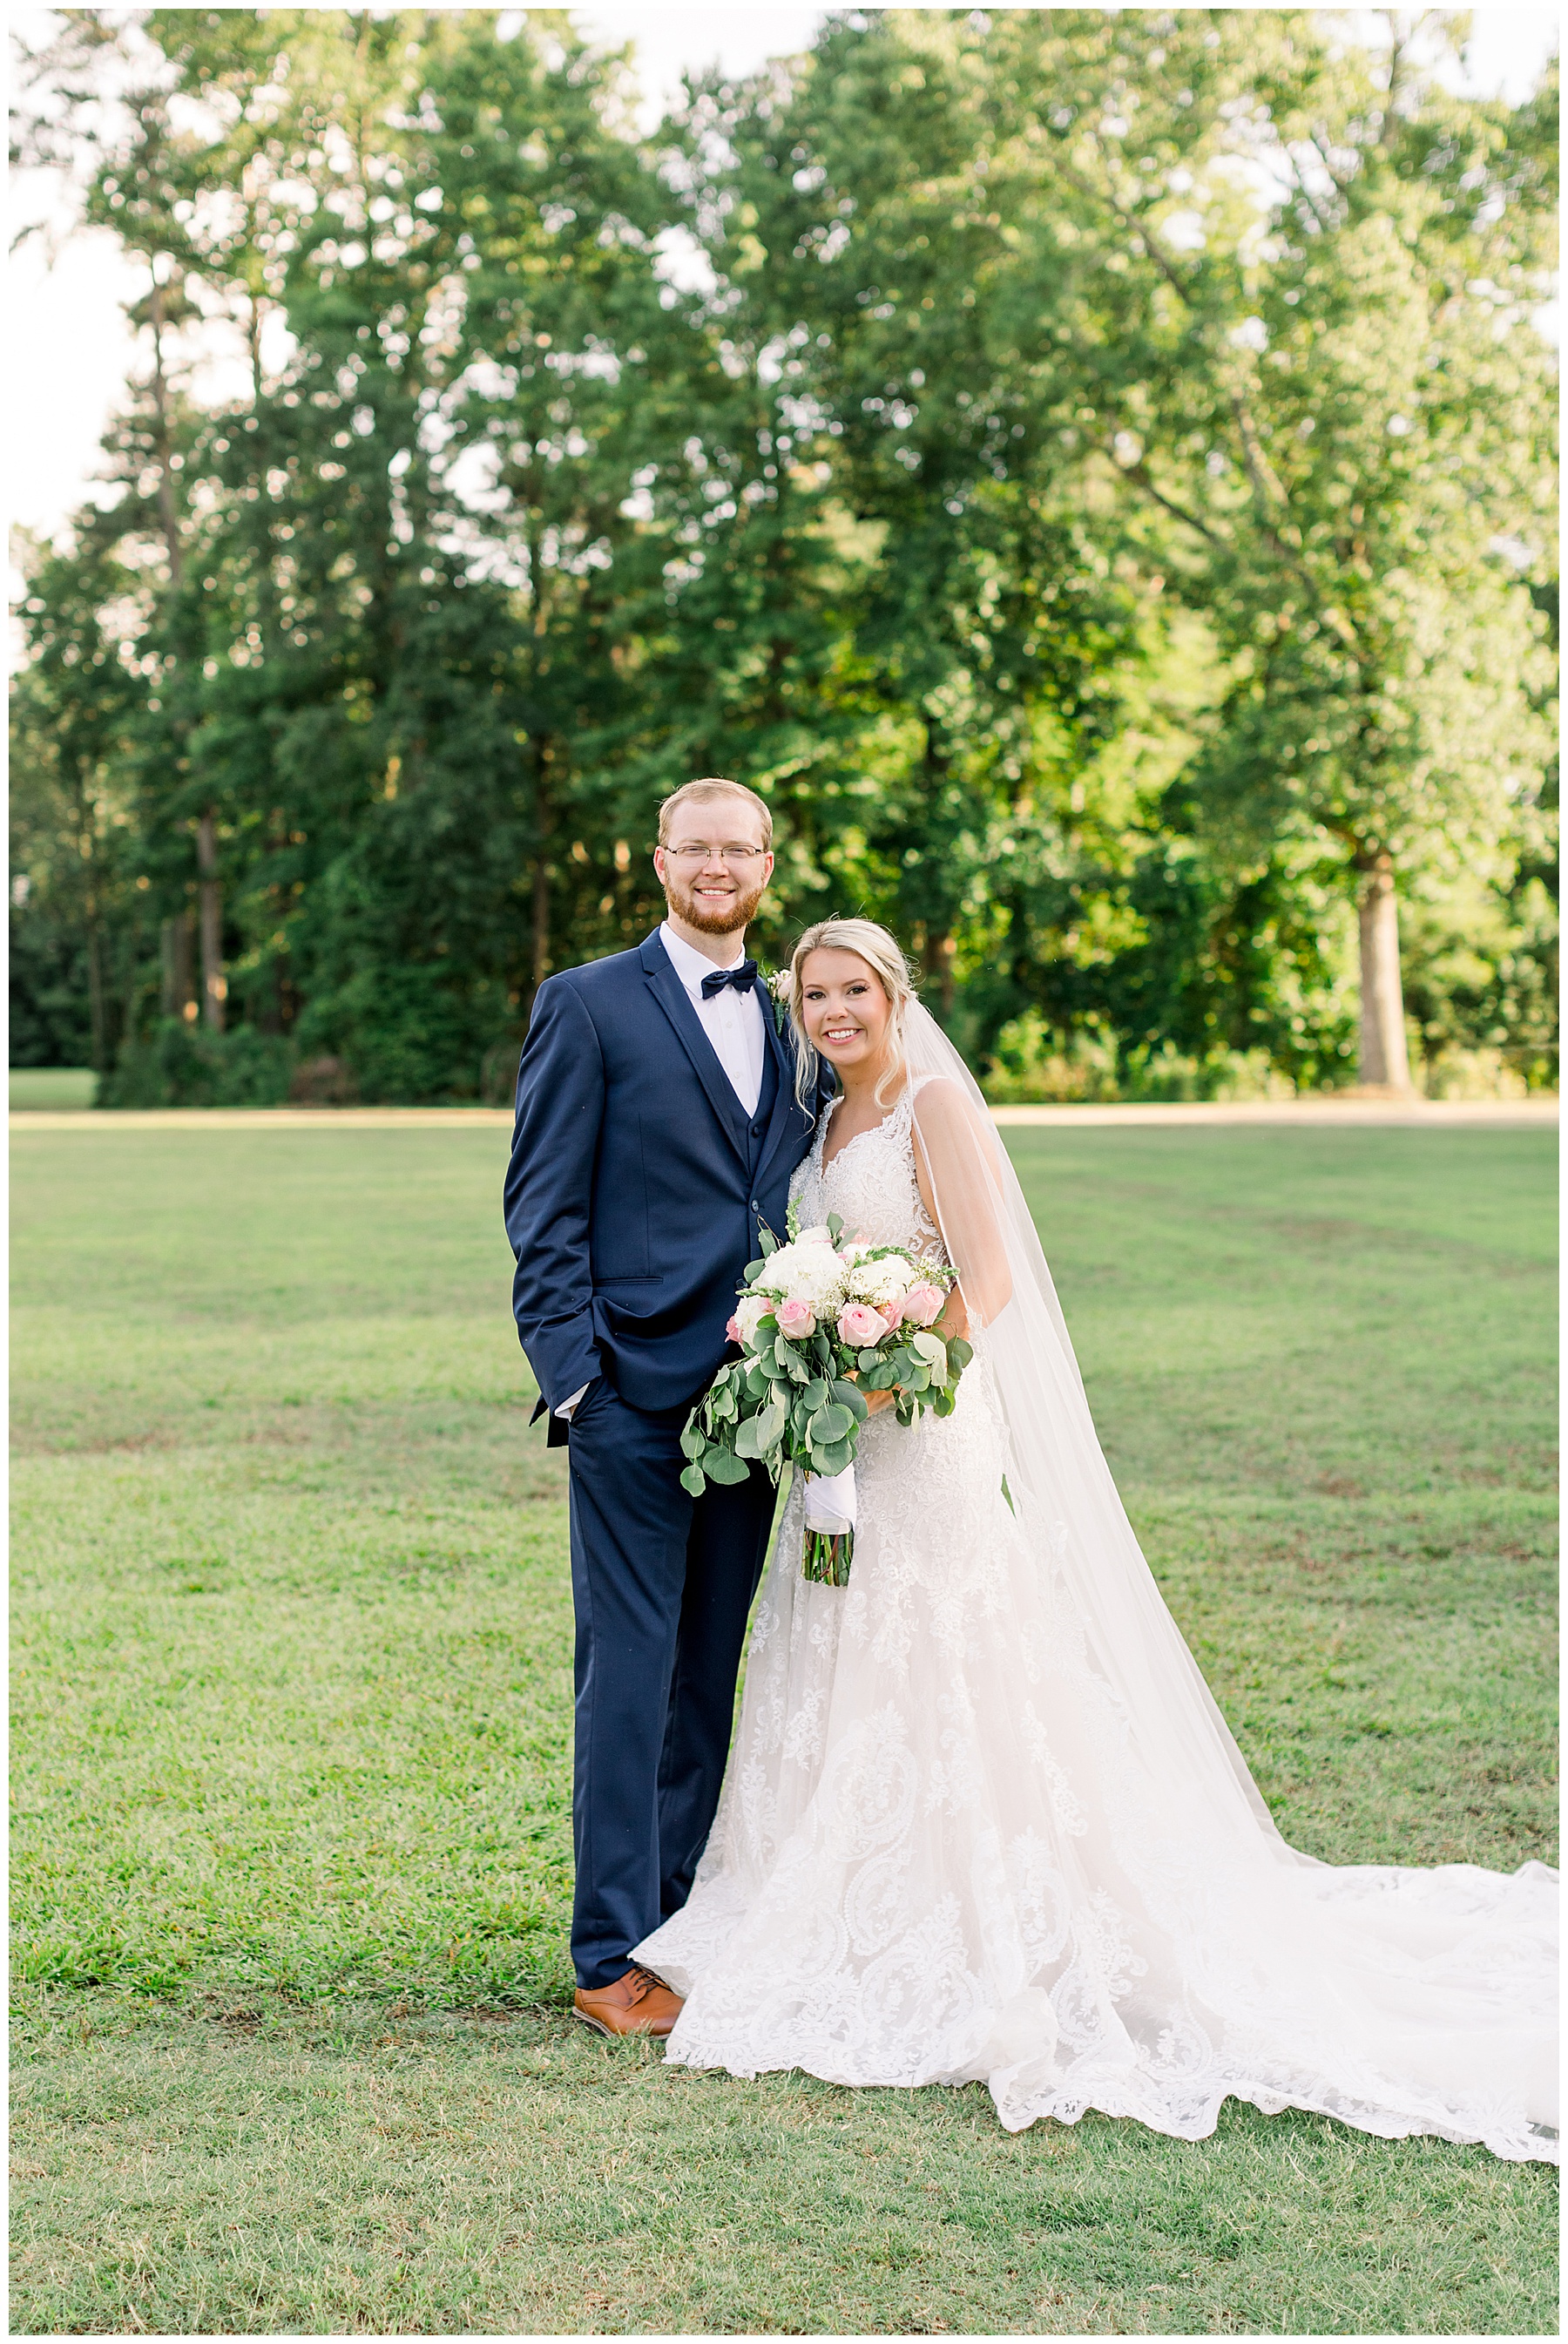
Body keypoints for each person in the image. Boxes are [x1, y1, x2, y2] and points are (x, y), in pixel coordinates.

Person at [633, 917, 1558, 2164]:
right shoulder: (825, 1122)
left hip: (925, 1431)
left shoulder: (931, 1109)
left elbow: (988, 1279)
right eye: (815, 996)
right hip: (842, 1450)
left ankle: (992, 1913)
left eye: (853, 989)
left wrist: (883, 1379)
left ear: (895, 996)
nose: (833, 1012)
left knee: (948, 1651)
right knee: (838, 1645)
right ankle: (838, 1891)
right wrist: (811, 1370)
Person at [504, 779, 823, 2038]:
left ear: (765, 866)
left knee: (705, 1674)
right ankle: (607, 1955)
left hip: (756, 1400)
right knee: (628, 1675)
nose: (716, 867)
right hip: (630, 1396)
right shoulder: (586, 1002)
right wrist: (577, 1378)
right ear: (659, 862)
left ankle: (678, 1929)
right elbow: (542, 1206)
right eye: (696, 848)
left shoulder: (798, 1017)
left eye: (738, 849)